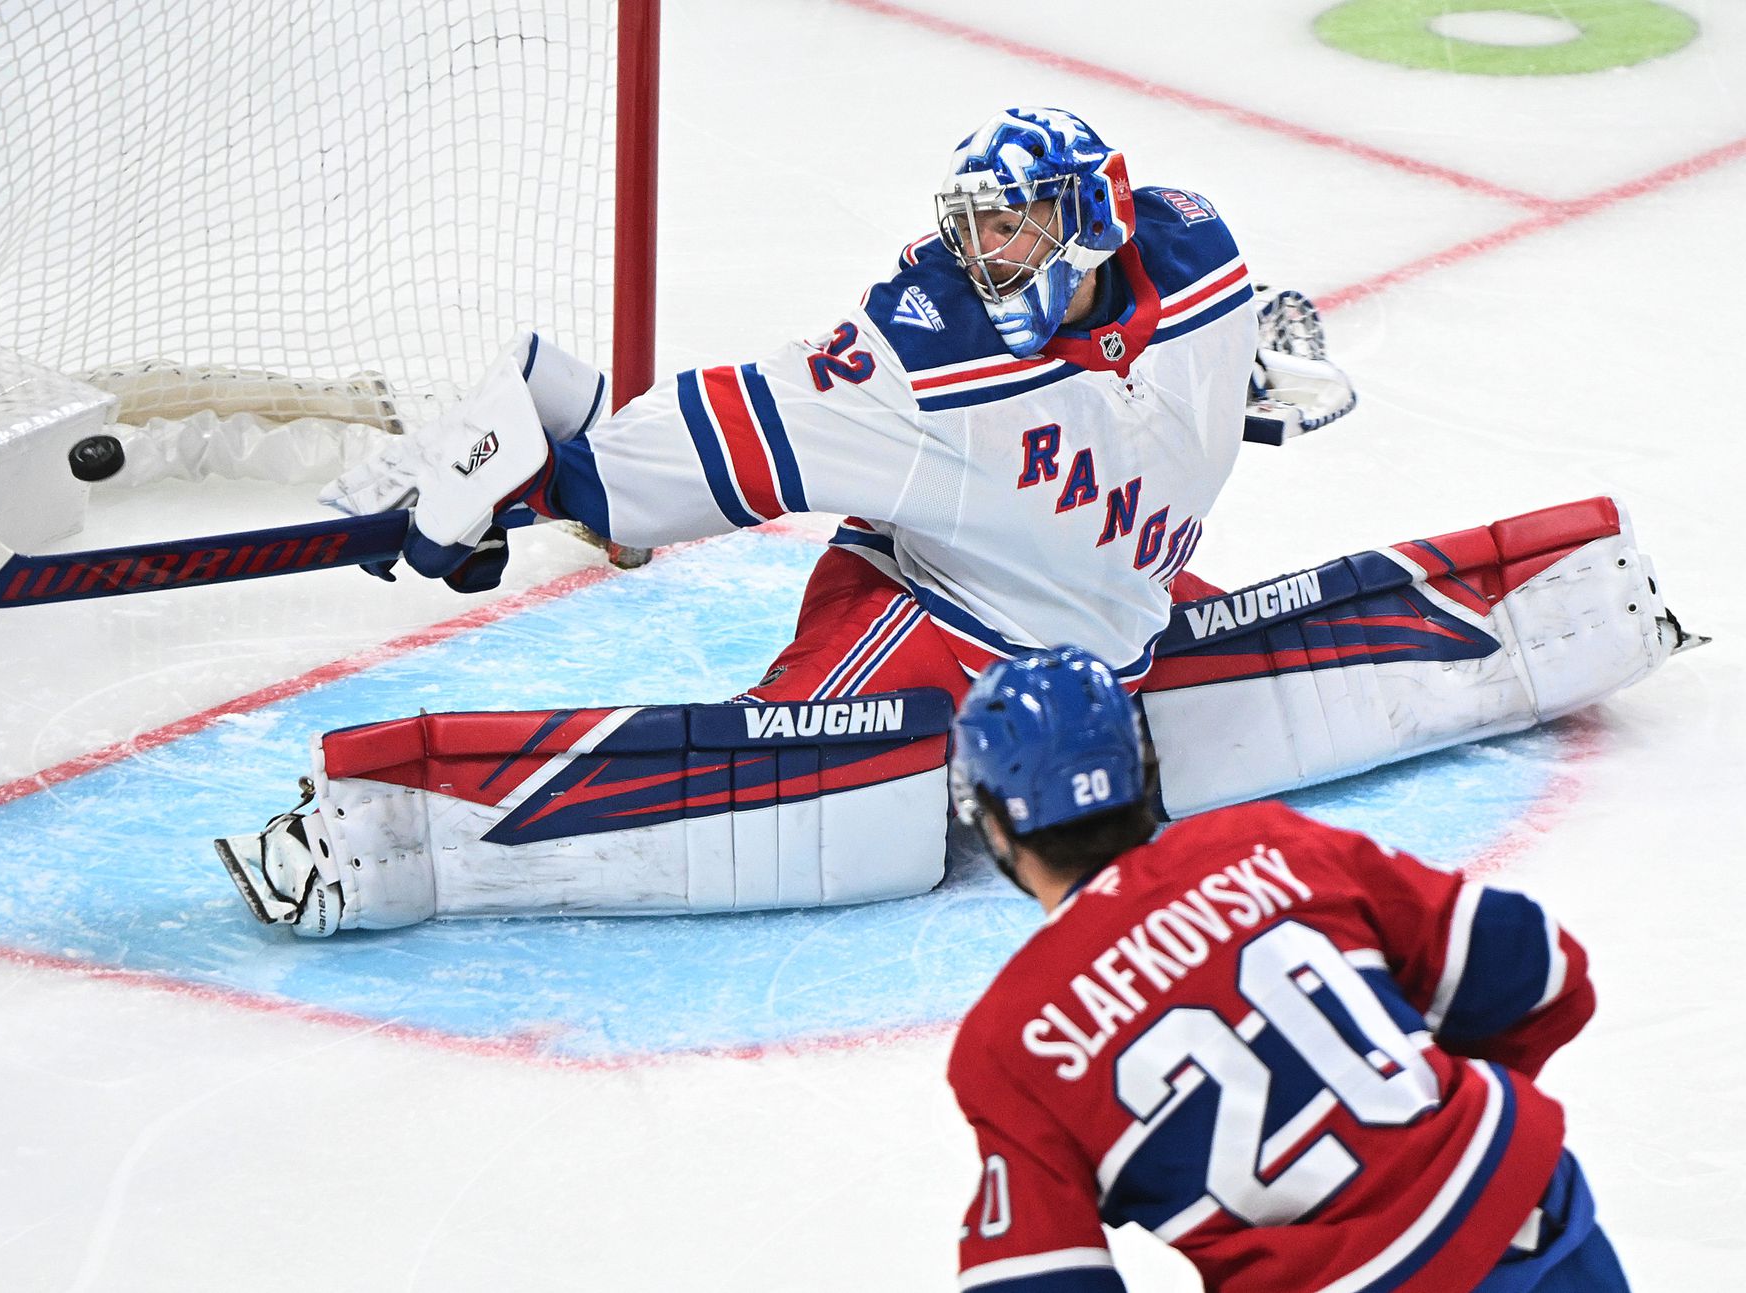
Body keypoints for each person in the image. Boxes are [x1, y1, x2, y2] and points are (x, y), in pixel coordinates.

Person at [213, 106, 1689, 937]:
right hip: (932, 629)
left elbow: (1220, 373)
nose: (986, 252)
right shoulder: (913, 357)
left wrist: (1261, 384)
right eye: (976, 225)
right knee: (794, 789)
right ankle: (384, 834)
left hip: (1109, 626)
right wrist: (531, 482)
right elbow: (685, 451)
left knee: (1179, 681)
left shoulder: (1200, 260)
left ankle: (1567, 607)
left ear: (1096, 223)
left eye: (1018, 225)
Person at [945, 645, 1631, 1293]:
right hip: (1527, 1223)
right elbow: (1538, 966)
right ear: (1143, 771)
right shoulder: (1270, 845)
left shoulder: (1010, 1042)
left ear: (996, 826)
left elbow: (1038, 1278)